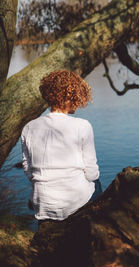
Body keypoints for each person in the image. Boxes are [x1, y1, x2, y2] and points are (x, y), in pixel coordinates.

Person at [21, 70, 101, 225]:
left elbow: (28, 170)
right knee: (96, 183)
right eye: (78, 97)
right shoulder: (82, 126)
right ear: (72, 97)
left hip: (43, 203)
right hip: (75, 202)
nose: (80, 102)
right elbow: (91, 173)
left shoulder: (29, 127)